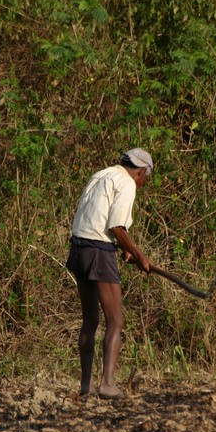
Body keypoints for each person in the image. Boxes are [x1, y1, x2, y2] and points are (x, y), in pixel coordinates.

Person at [66, 148, 153, 399]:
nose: (144, 182)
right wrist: (139, 256)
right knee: (115, 321)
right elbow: (116, 225)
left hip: (78, 248)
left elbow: (98, 220)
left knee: (90, 322)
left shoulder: (100, 175)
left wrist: (124, 249)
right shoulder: (127, 182)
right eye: (145, 177)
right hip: (98, 251)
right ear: (140, 172)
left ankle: (85, 387)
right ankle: (106, 384)